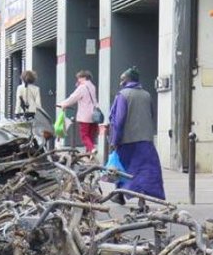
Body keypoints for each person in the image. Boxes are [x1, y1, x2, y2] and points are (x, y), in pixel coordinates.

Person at [107, 66, 165, 201]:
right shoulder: (147, 95)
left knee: (123, 169)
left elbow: (119, 120)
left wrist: (114, 140)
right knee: (145, 170)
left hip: (127, 141)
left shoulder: (123, 95)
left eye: (122, 79)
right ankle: (140, 198)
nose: (120, 82)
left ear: (128, 80)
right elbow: (151, 115)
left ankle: (119, 194)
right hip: (146, 140)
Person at [60, 69, 99, 153]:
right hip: (94, 114)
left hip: (85, 115)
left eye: (79, 78)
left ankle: (92, 149)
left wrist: (63, 104)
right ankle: (89, 154)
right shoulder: (92, 86)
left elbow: (73, 98)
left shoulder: (82, 87)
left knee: (84, 135)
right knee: (90, 136)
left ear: (84, 78)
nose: (78, 80)